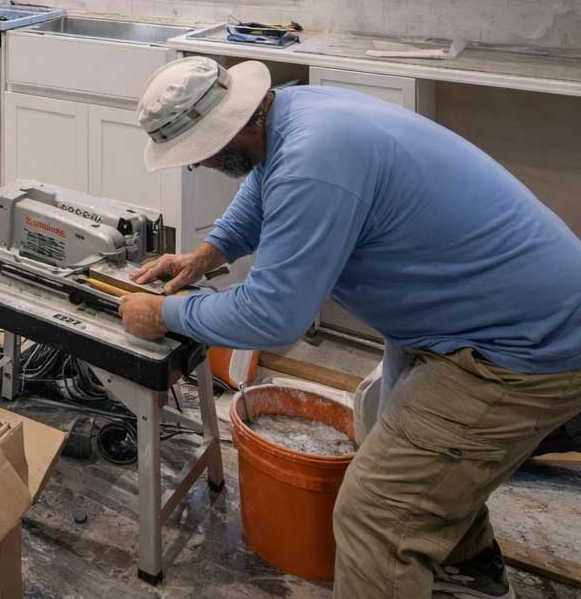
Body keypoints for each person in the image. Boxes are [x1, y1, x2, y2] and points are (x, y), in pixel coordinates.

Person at [120, 56, 581, 599]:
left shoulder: (312, 158)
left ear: (238, 125)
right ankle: (466, 571)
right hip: (479, 323)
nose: (197, 165)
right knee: (421, 468)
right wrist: (205, 255)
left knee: (378, 515)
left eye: (201, 151)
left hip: (516, 349)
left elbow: (273, 318)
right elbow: (262, 195)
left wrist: (165, 314)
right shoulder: (294, 116)